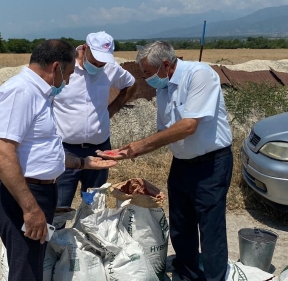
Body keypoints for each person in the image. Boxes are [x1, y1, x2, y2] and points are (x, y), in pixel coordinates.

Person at [97, 41, 233, 281]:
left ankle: (214, 277)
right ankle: (187, 273)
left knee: (210, 228)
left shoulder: (200, 76)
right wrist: (130, 151)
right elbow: (164, 133)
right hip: (182, 163)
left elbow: (189, 125)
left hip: (211, 165)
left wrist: (139, 145)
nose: (145, 79)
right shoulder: (164, 89)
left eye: (147, 73)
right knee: (181, 224)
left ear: (166, 65)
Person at [0, 39, 117, 281]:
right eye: (68, 74)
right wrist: (30, 208)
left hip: (37, 192)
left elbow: (39, 151)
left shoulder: (39, 94)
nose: (67, 81)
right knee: (25, 269)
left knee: (35, 265)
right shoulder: (21, 93)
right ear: (56, 67)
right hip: (24, 194)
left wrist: (83, 163)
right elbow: (2, 154)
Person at [52, 31, 137, 211]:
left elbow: (131, 83)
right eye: (96, 59)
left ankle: (90, 237)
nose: (99, 64)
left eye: (103, 61)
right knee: (58, 205)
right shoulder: (65, 68)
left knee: (94, 205)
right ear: (85, 48)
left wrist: (112, 109)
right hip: (65, 150)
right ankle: (53, 238)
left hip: (99, 150)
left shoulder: (111, 69)